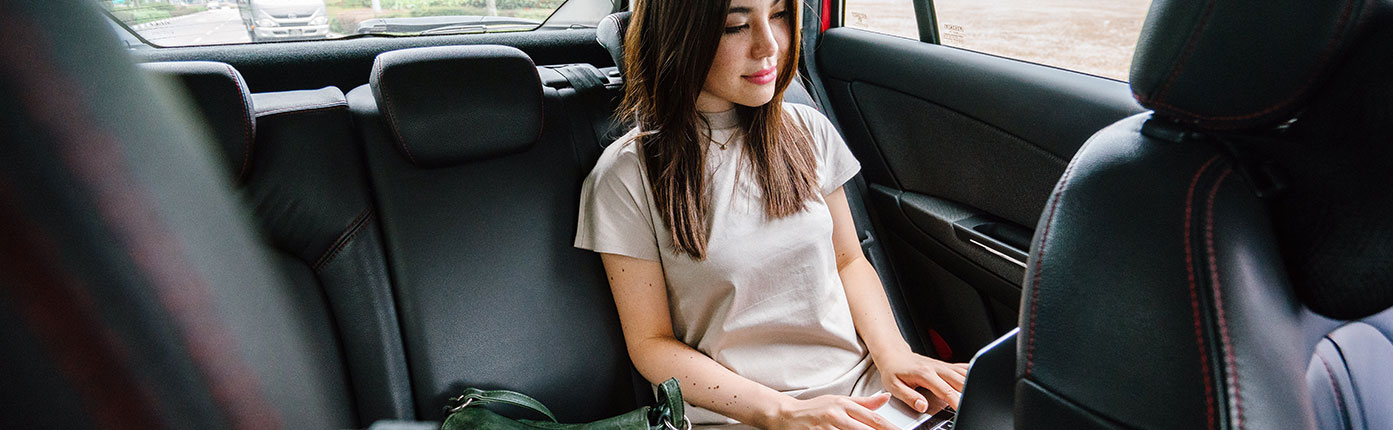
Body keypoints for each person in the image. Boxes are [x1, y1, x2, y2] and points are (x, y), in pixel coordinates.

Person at [574, 0, 968, 428]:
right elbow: (651, 343)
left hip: (867, 397)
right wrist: (784, 411)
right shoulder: (626, 175)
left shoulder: (807, 129)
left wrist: (895, 354)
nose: (769, 46)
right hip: (746, 415)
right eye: (735, 26)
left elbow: (849, 261)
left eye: (779, 16)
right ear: (678, 38)